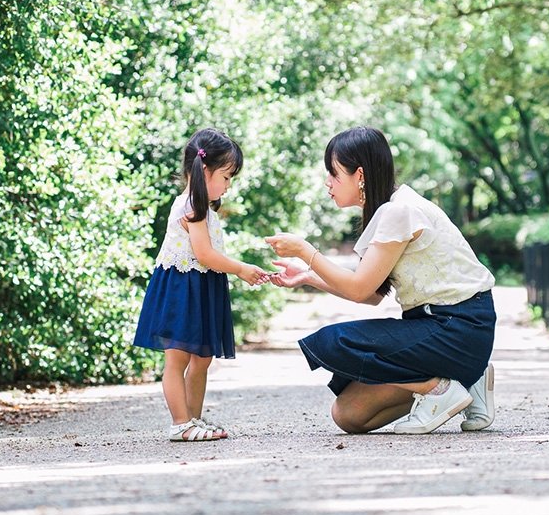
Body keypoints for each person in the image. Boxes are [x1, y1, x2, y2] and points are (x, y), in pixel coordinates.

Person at [265, 126, 496, 435]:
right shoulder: (388, 211)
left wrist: (305, 251)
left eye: (333, 174)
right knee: (348, 415)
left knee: (336, 342)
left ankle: (440, 388)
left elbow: (360, 289)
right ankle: (466, 380)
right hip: (442, 330)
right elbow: (372, 293)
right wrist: (309, 276)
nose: (327, 183)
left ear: (359, 174)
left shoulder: (399, 211)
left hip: (457, 327)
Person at [134, 128, 273, 442]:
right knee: (177, 357)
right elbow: (205, 254)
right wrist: (241, 269)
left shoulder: (201, 206)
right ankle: (180, 423)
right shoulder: (192, 206)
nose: (229, 184)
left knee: (202, 358)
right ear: (204, 171)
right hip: (182, 287)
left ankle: (192, 419)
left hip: (199, 285)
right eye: (226, 177)